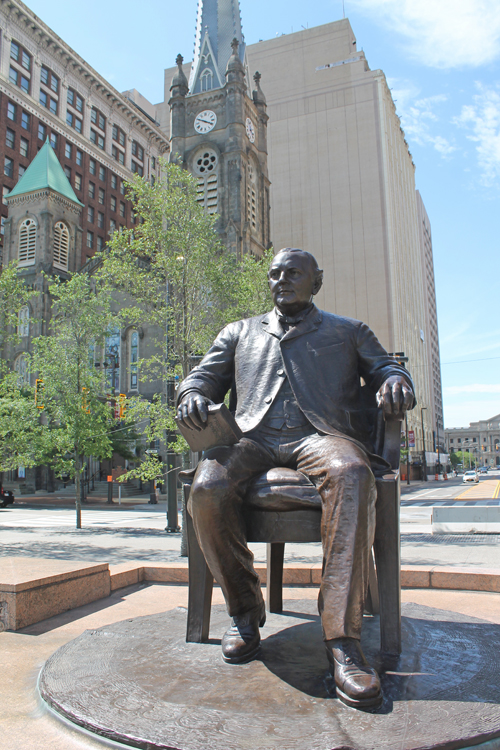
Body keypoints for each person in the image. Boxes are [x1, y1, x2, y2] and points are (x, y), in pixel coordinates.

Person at [177, 248, 415, 709]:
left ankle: (343, 640)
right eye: (275, 274)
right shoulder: (239, 332)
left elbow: (387, 367)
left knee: (351, 473)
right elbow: (202, 379)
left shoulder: (348, 331)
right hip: (252, 438)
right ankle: (245, 613)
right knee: (207, 487)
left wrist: (393, 381)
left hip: (321, 436)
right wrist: (191, 394)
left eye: (292, 273)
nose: (281, 280)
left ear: (316, 282)